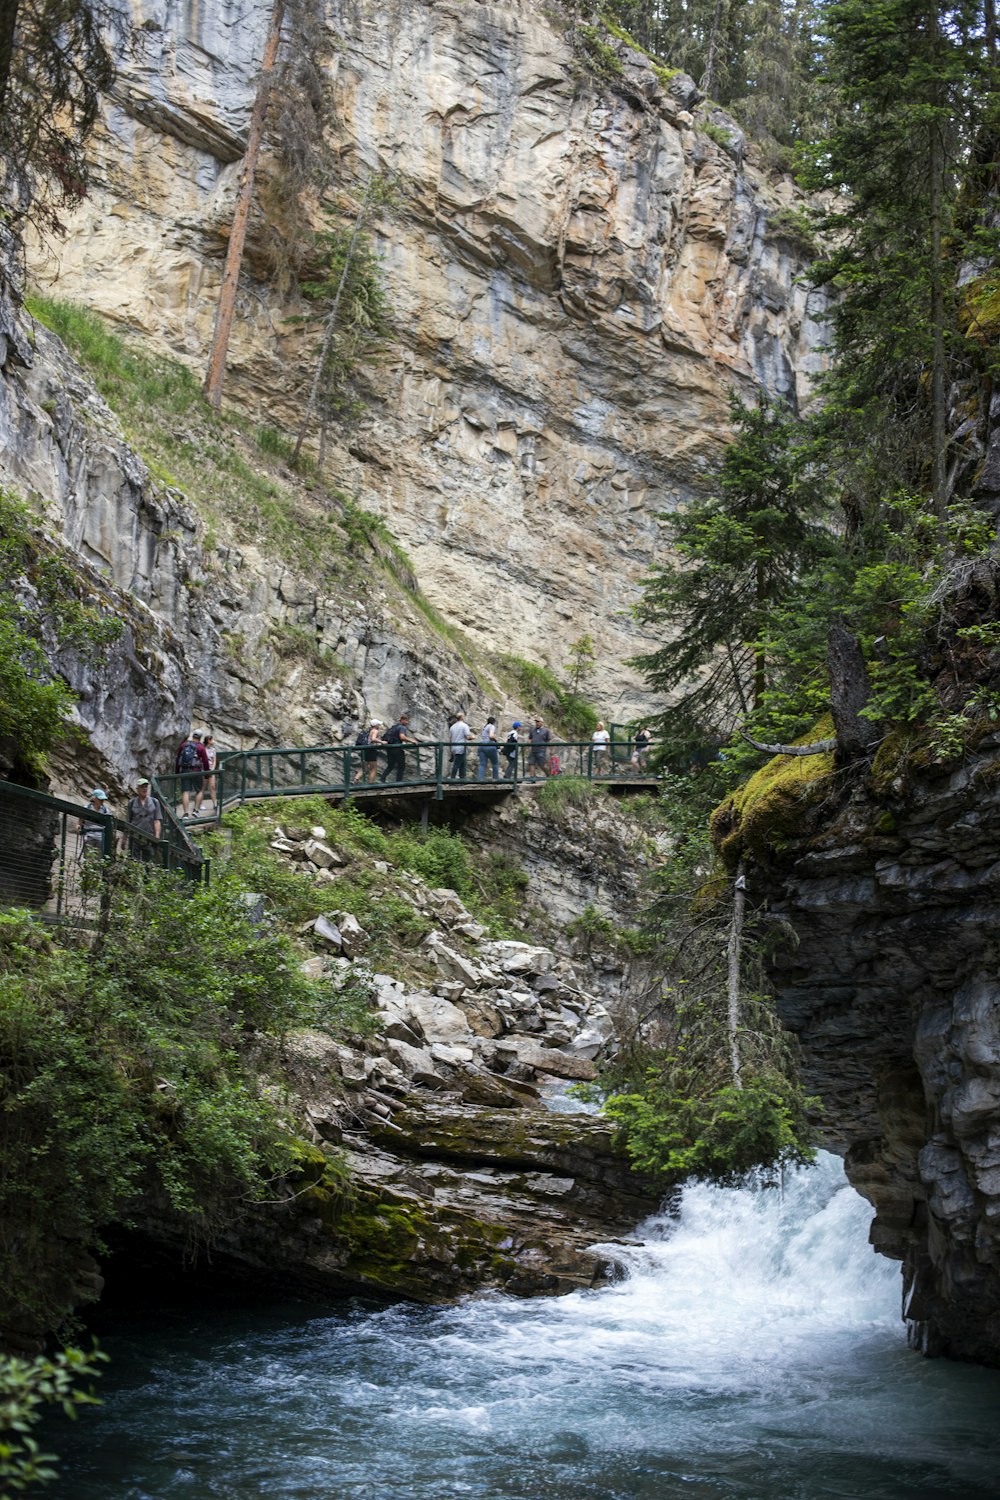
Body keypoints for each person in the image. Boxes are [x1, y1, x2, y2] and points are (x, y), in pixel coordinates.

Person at [125, 777, 162, 861]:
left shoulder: (154, 802)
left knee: (148, 861)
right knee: (134, 861)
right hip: (135, 837)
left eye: (146, 787)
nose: (144, 789)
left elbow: (157, 820)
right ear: (137, 789)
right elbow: (128, 821)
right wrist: (124, 839)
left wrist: (157, 836)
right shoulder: (132, 802)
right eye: (142, 787)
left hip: (149, 836)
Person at [175, 730, 210, 816]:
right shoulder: (201, 747)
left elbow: (178, 758)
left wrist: (177, 772)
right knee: (199, 790)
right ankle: (196, 810)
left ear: (193, 736)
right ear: (200, 737)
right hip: (196, 771)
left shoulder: (184, 745)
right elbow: (205, 761)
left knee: (185, 791)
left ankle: (186, 814)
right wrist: (207, 774)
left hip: (185, 771)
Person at [379, 715, 417, 783]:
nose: (407, 722)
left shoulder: (394, 727)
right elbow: (402, 737)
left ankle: (382, 779)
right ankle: (399, 783)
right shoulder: (402, 727)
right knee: (401, 766)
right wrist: (412, 740)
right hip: (397, 749)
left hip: (389, 749)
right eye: (406, 720)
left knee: (390, 766)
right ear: (402, 720)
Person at [77, 788, 111, 860]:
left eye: (103, 799)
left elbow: (109, 823)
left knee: (98, 860)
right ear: (94, 798)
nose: (102, 801)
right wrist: (78, 826)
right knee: (88, 859)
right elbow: (80, 820)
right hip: (89, 836)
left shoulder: (105, 810)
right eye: (100, 799)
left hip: (101, 837)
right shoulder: (87, 808)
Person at [449, 713, 472, 781]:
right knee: (457, 764)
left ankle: (462, 779)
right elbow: (468, 737)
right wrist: (473, 737)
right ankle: (452, 779)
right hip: (461, 747)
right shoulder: (464, 726)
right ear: (462, 717)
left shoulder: (452, 727)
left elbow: (450, 738)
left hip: (454, 747)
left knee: (462, 763)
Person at [478, 716, 500, 782]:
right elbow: (491, 736)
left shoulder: (485, 727)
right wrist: (496, 740)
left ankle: (480, 779)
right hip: (489, 745)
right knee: (495, 763)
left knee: (482, 764)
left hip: (481, 745)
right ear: (494, 722)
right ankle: (495, 779)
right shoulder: (492, 726)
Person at [202, 734, 218, 808]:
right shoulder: (202, 749)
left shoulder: (213, 749)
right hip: (203, 770)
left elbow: (214, 760)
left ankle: (215, 804)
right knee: (203, 787)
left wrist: (213, 769)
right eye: (212, 740)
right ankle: (200, 803)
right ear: (209, 741)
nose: (213, 741)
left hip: (211, 770)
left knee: (212, 787)